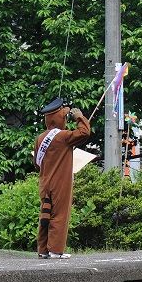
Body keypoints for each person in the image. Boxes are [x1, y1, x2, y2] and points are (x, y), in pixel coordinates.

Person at [33, 98, 91, 259]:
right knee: (59, 214)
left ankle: (43, 250)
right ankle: (56, 250)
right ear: (59, 118)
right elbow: (84, 132)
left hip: (44, 183)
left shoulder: (40, 139)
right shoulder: (64, 136)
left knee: (45, 214)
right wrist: (79, 116)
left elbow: (37, 164)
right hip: (60, 183)